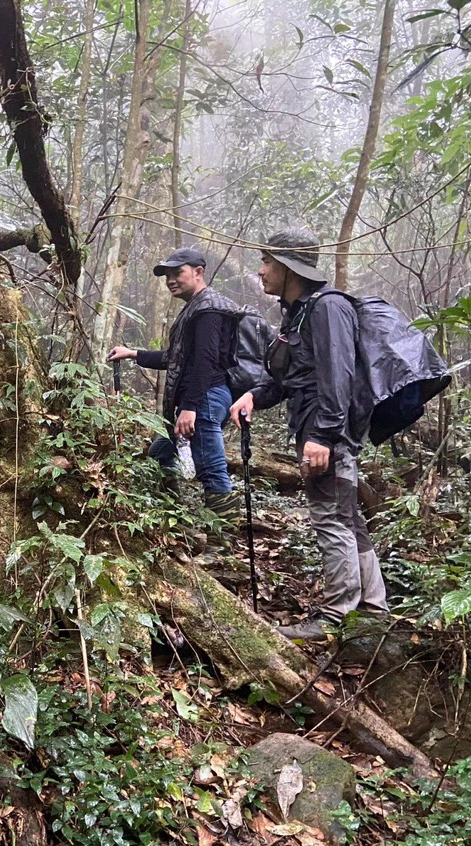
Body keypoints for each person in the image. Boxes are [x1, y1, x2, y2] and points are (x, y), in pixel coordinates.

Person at [228, 228, 388, 640]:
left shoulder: (327, 308)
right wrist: (253, 396)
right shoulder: (297, 313)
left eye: (266, 262)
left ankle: (336, 617)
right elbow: (292, 379)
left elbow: (338, 377)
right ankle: (373, 609)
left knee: (330, 517)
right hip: (318, 428)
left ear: (286, 267)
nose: (261, 271)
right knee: (347, 516)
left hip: (327, 432)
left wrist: (323, 435)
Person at [108, 247, 241, 519]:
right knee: (159, 455)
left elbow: (205, 361)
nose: (170, 280)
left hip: (205, 397)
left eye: (177, 273)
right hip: (200, 397)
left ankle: (222, 545)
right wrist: (133, 353)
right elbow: (177, 358)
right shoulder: (196, 308)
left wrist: (190, 407)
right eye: (167, 275)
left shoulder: (208, 309)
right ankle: (173, 516)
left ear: (198, 272)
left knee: (211, 467)